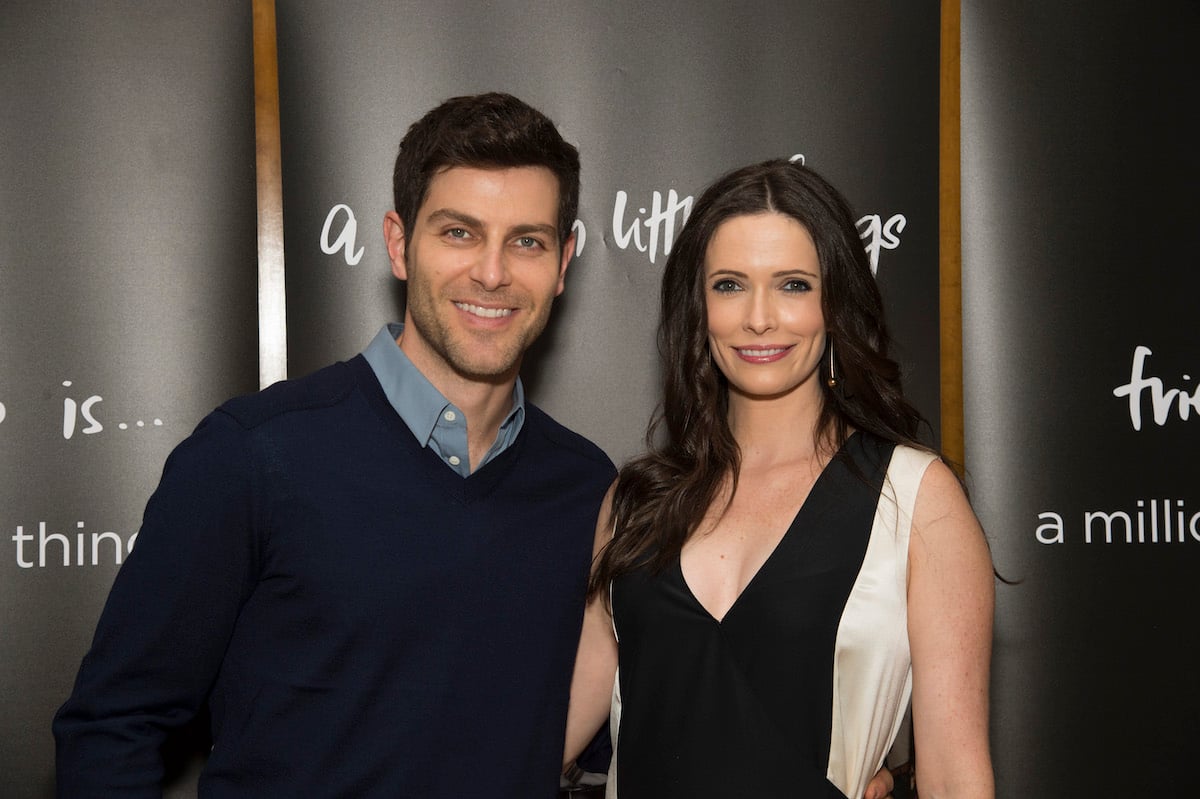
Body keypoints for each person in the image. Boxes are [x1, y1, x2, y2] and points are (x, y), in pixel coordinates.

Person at [53, 92, 617, 798]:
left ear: (563, 262)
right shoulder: (254, 456)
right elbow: (111, 728)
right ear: (398, 243)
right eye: (459, 233)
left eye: (527, 241)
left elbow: (582, 733)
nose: (493, 273)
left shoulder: (585, 487)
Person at [563, 160, 995, 798]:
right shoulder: (636, 505)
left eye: (793, 284)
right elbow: (546, 736)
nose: (759, 318)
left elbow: (956, 778)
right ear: (698, 303)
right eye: (730, 285)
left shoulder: (915, 500)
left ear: (836, 301)